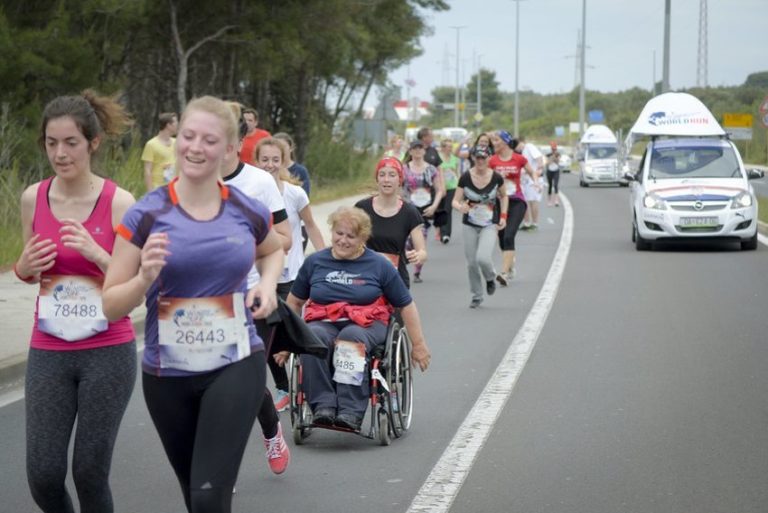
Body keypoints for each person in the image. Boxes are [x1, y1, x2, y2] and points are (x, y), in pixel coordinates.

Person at [102, 96, 285, 513]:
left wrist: (269, 284)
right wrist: (143, 278)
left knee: (207, 495)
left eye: (209, 139)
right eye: (188, 136)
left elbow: (274, 250)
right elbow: (111, 306)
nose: (196, 147)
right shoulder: (146, 214)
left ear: (228, 148)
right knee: (194, 495)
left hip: (236, 362)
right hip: (168, 375)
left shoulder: (246, 209)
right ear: (176, 139)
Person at [16, 90, 137, 513]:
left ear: (93, 143)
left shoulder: (120, 204)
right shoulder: (34, 198)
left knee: (88, 472)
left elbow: (133, 285)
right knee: (44, 476)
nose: (60, 153)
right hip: (49, 348)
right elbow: (29, 271)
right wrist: (23, 265)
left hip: (106, 350)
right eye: (52, 143)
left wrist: (96, 254)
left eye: (70, 143)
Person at [282, 206, 431, 431]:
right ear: (331, 232)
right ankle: (323, 405)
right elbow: (293, 302)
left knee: (350, 337)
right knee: (312, 337)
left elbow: (406, 305)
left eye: (351, 236)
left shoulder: (379, 264)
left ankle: (350, 410)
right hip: (324, 321)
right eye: (339, 234)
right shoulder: (315, 262)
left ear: (363, 238)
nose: (343, 240)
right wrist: (285, 340)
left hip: (368, 323)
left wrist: (418, 345)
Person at [220, 103, 292, 474]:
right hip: (202, 303)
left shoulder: (259, 183)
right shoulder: (182, 184)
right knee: (212, 386)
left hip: (253, 296)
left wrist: (239, 247)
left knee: (244, 381)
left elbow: (284, 238)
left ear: (235, 142)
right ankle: (216, 468)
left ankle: (270, 432)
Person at [254, 137, 325, 417]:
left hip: (293, 276)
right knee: (270, 339)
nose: (270, 165)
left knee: (301, 335)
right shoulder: (249, 192)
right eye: (265, 159)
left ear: (284, 161)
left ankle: (306, 387)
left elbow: (312, 226)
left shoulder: (295, 194)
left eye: (275, 160)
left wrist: (325, 259)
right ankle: (283, 388)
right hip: (262, 277)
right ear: (256, 161)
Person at [355, 157, 426, 288]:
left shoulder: (409, 212)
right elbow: (349, 238)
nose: (386, 179)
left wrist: (418, 255)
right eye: (382, 175)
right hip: (364, 276)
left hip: (395, 279)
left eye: (392, 175)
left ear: (400, 180)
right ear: (377, 179)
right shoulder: (361, 208)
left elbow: (422, 251)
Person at [452, 145, 508, 308]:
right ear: (473, 158)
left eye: (484, 157)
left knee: (482, 258)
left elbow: (504, 196)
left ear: (489, 158)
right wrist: (459, 207)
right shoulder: (465, 177)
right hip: (469, 224)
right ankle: (477, 295)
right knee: (471, 263)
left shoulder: (497, 177)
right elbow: (455, 200)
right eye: (477, 157)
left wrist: (503, 216)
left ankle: (490, 278)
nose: (480, 160)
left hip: (489, 224)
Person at [489, 131, 535, 284]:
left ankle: (504, 273)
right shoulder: (492, 161)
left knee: (509, 235)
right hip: (499, 202)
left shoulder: (519, 158)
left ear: (505, 142)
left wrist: (535, 181)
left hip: (517, 202)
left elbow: (531, 171)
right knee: (502, 238)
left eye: (496, 140)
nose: (494, 143)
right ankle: (511, 265)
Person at [402, 139, 445, 283]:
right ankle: (401, 263)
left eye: (420, 148)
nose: (418, 151)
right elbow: (398, 189)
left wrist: (434, 206)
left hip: (425, 211)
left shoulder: (431, 169)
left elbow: (439, 190)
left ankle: (417, 272)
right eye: (415, 148)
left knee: (421, 240)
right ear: (410, 151)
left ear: (424, 151)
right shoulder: (404, 169)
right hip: (408, 209)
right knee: (406, 242)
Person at [141, 111, 178, 191]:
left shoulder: (176, 142)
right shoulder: (151, 144)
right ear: (168, 125)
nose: (177, 125)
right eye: (175, 123)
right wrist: (150, 192)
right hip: (158, 188)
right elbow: (147, 170)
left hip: (174, 188)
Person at [273, 132, 311, 196]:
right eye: (277, 147)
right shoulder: (270, 170)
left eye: (283, 147)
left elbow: (305, 196)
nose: (280, 150)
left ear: (291, 148)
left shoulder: (301, 171)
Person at [437, 138, 460, 243]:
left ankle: (446, 234)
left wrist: (460, 187)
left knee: (448, 209)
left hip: (452, 187)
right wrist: (440, 186)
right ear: (443, 148)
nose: (450, 149)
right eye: (448, 146)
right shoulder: (438, 159)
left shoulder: (454, 159)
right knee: (440, 209)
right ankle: (440, 230)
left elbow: (457, 173)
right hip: (441, 188)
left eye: (451, 147)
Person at [519, 134, 544, 230]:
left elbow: (539, 157)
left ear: (522, 142)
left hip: (533, 178)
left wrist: (539, 169)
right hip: (524, 178)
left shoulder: (529, 146)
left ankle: (535, 223)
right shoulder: (521, 152)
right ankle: (527, 223)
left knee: (533, 201)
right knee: (524, 201)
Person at [545, 142, 561, 207]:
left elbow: (558, 162)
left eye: (555, 149)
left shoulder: (558, 154)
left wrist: (555, 158)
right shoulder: (548, 155)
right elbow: (547, 163)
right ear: (551, 149)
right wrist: (551, 159)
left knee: (556, 185)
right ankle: (549, 201)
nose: (554, 150)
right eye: (553, 149)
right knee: (550, 185)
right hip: (549, 171)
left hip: (556, 171)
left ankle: (556, 201)